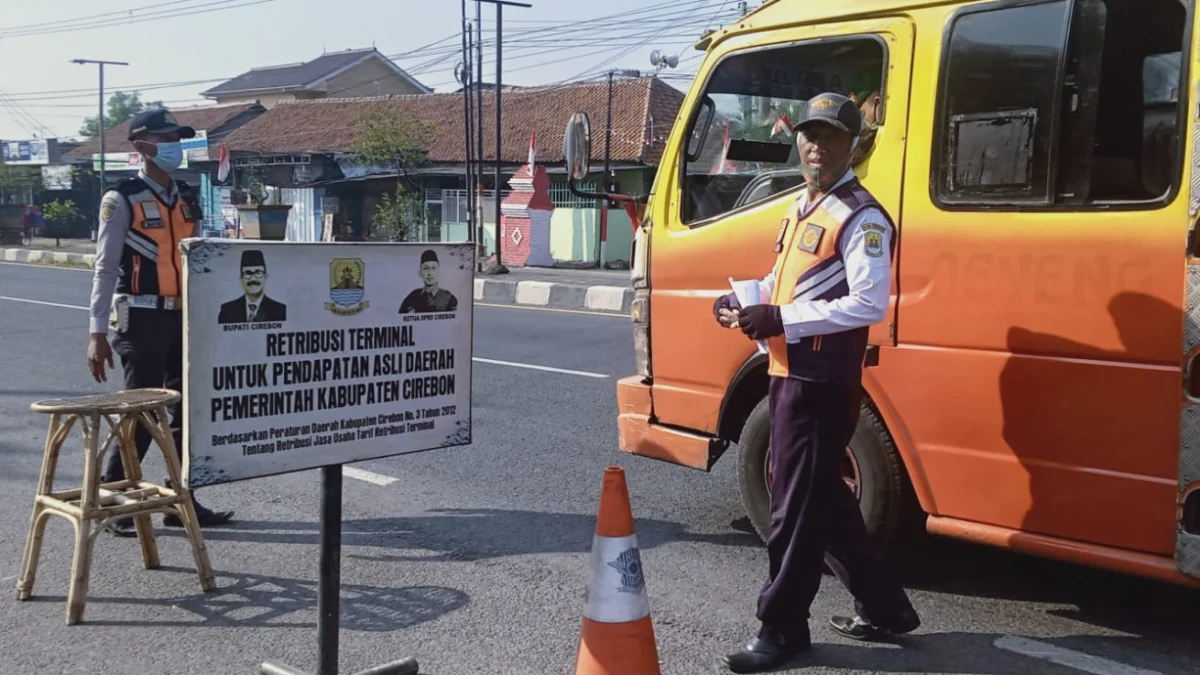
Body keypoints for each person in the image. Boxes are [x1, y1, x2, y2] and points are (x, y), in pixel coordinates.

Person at [715, 93, 920, 673]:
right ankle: (885, 609)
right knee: (821, 498)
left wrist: (782, 319)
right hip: (789, 371)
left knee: (793, 507)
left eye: (830, 136)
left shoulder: (862, 215)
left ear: (854, 144)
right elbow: (792, 282)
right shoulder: (803, 206)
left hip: (820, 380)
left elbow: (867, 304)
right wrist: (744, 300)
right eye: (809, 133)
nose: (815, 145)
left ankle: (782, 628)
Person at [87, 107, 234, 537]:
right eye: (165, 138)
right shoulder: (122, 198)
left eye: (177, 137)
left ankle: (180, 495)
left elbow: (204, 260)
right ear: (141, 145)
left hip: (184, 316)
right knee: (142, 410)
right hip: (141, 317)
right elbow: (104, 267)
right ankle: (115, 498)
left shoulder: (187, 196)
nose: (174, 145)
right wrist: (97, 333)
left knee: (189, 412)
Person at [218, 250, 288, 323]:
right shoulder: (227, 310)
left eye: (258, 273)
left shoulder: (280, 310)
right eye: (248, 273)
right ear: (241, 279)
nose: (253, 278)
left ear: (265, 277)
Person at [399, 249, 458, 313]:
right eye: (426, 268)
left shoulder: (448, 298)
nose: (429, 273)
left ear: (438, 271)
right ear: (420, 272)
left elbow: (454, 321)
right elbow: (401, 319)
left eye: (433, 268)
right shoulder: (413, 297)